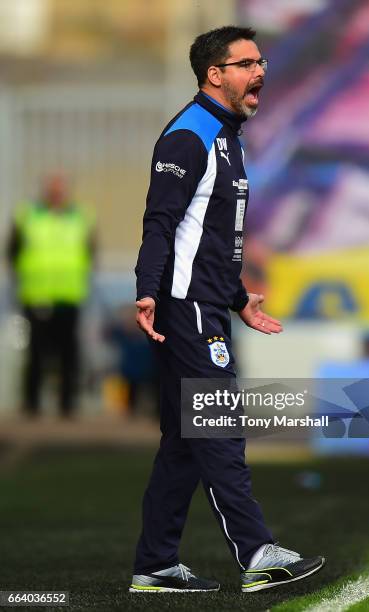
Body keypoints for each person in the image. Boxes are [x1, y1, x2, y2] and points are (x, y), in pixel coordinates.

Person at [131, 26, 325, 594]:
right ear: (215, 74)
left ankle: (156, 563)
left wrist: (237, 298)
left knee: (186, 444)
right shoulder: (189, 135)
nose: (260, 70)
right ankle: (258, 551)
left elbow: (207, 237)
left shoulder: (228, 136)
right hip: (184, 310)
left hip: (208, 308)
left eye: (261, 60)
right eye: (246, 63)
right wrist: (147, 290)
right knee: (218, 429)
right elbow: (161, 223)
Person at [6, 174, 95, 418]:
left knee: (69, 354)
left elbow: (90, 251)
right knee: (36, 352)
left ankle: (68, 405)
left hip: (69, 294)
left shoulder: (82, 217)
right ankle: (31, 405)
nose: (57, 194)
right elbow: (13, 251)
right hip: (37, 293)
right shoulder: (27, 216)